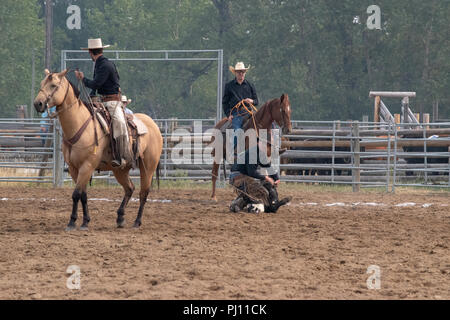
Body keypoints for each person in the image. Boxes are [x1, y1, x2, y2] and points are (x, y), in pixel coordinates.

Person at [74, 38, 131, 168]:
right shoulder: (100, 64)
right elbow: (96, 85)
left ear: (90, 52)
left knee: (119, 122)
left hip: (112, 101)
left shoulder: (105, 65)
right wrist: (92, 95)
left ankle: (123, 155)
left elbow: (96, 83)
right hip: (102, 100)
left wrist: (83, 79)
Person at [229, 139, 291, 213]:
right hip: (238, 177)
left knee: (259, 189)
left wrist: (276, 178)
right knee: (260, 191)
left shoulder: (260, 153)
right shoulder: (253, 153)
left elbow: (268, 166)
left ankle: (239, 203)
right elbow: (251, 172)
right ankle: (240, 203)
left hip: (242, 177)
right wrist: (266, 177)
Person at [222, 62, 259, 152]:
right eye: (239, 72)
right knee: (238, 130)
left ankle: (265, 149)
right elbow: (225, 102)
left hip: (249, 112)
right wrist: (228, 115)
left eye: (242, 71)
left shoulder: (250, 85)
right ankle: (233, 151)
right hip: (236, 113)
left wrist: (252, 101)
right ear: (235, 73)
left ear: (245, 72)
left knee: (263, 127)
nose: (241, 73)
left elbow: (256, 101)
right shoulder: (229, 86)